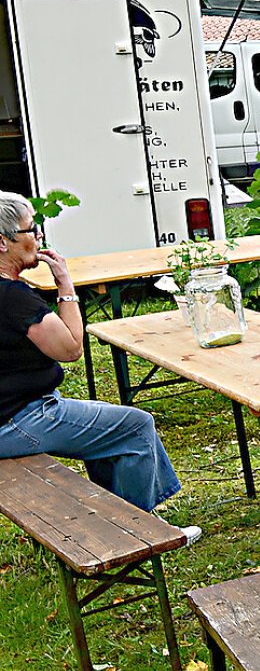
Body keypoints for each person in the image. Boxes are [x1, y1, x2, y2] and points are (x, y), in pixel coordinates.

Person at [0, 194, 198, 533]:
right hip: (20, 420)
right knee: (136, 427)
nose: (40, 235)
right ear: (3, 242)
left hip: (12, 414)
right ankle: (140, 531)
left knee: (107, 434)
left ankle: (113, 521)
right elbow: (71, 347)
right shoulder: (12, 297)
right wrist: (64, 282)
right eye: (32, 229)